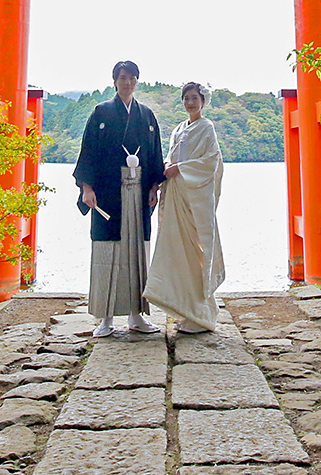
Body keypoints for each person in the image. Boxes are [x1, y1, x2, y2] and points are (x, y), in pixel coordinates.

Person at [74, 60, 165, 337]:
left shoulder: (147, 116)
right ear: (115, 80)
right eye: (123, 77)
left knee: (136, 252)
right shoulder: (101, 112)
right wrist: (87, 188)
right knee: (107, 253)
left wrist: (154, 187)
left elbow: (154, 154)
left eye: (132, 77)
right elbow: (88, 151)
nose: (127, 82)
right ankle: (106, 317)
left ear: (137, 81)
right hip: (108, 191)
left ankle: (137, 315)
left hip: (138, 192)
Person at [144, 81, 225, 333]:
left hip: (193, 197)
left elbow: (211, 160)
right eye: (186, 98)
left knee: (194, 253)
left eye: (194, 98)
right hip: (176, 193)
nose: (190, 102)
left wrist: (179, 168)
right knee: (175, 250)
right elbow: (171, 157)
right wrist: (161, 179)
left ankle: (201, 312)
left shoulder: (206, 127)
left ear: (203, 101)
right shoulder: (179, 128)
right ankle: (182, 307)